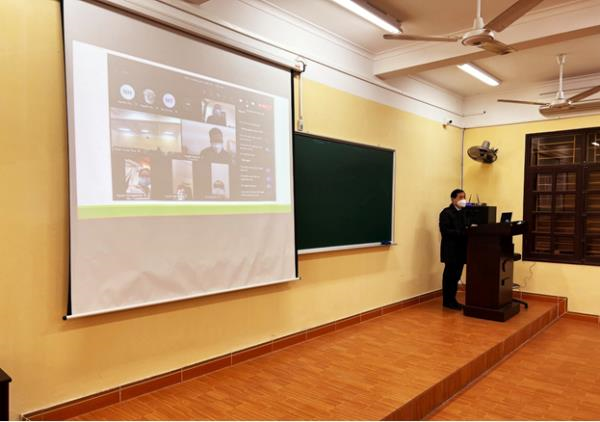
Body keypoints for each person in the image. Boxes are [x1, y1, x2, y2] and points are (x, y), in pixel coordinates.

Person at [439, 188, 469, 310]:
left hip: (461, 250)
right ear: (453, 199)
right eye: (460, 197)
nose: (463, 199)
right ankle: (447, 301)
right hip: (451, 250)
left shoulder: (464, 212)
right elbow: (445, 231)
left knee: (456, 276)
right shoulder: (446, 213)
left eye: (464, 197)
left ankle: (453, 299)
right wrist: (462, 232)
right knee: (450, 276)